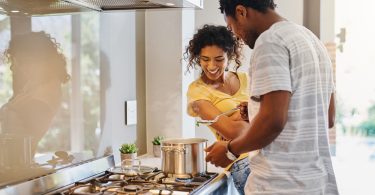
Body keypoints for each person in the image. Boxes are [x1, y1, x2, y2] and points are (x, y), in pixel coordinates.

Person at [205, 0, 339, 194]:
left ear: (241, 12)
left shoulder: (270, 41)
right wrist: (257, 113)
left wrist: (230, 150)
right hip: (317, 183)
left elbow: (273, 122)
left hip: (280, 186)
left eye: (232, 27)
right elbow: (327, 117)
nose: (236, 36)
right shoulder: (312, 40)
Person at [184, 24, 251, 195]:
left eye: (219, 59)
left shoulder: (246, 79)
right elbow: (235, 133)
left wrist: (240, 119)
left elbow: (273, 117)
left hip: (269, 156)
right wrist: (248, 115)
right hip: (243, 163)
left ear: (230, 56)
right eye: (205, 59)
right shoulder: (197, 91)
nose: (211, 65)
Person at [0, 31, 70, 159]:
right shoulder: (37, 85)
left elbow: (15, 142)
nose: (13, 68)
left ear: (31, 61)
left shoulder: (41, 98)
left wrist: (7, 110)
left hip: (15, 166)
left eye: (16, 61)